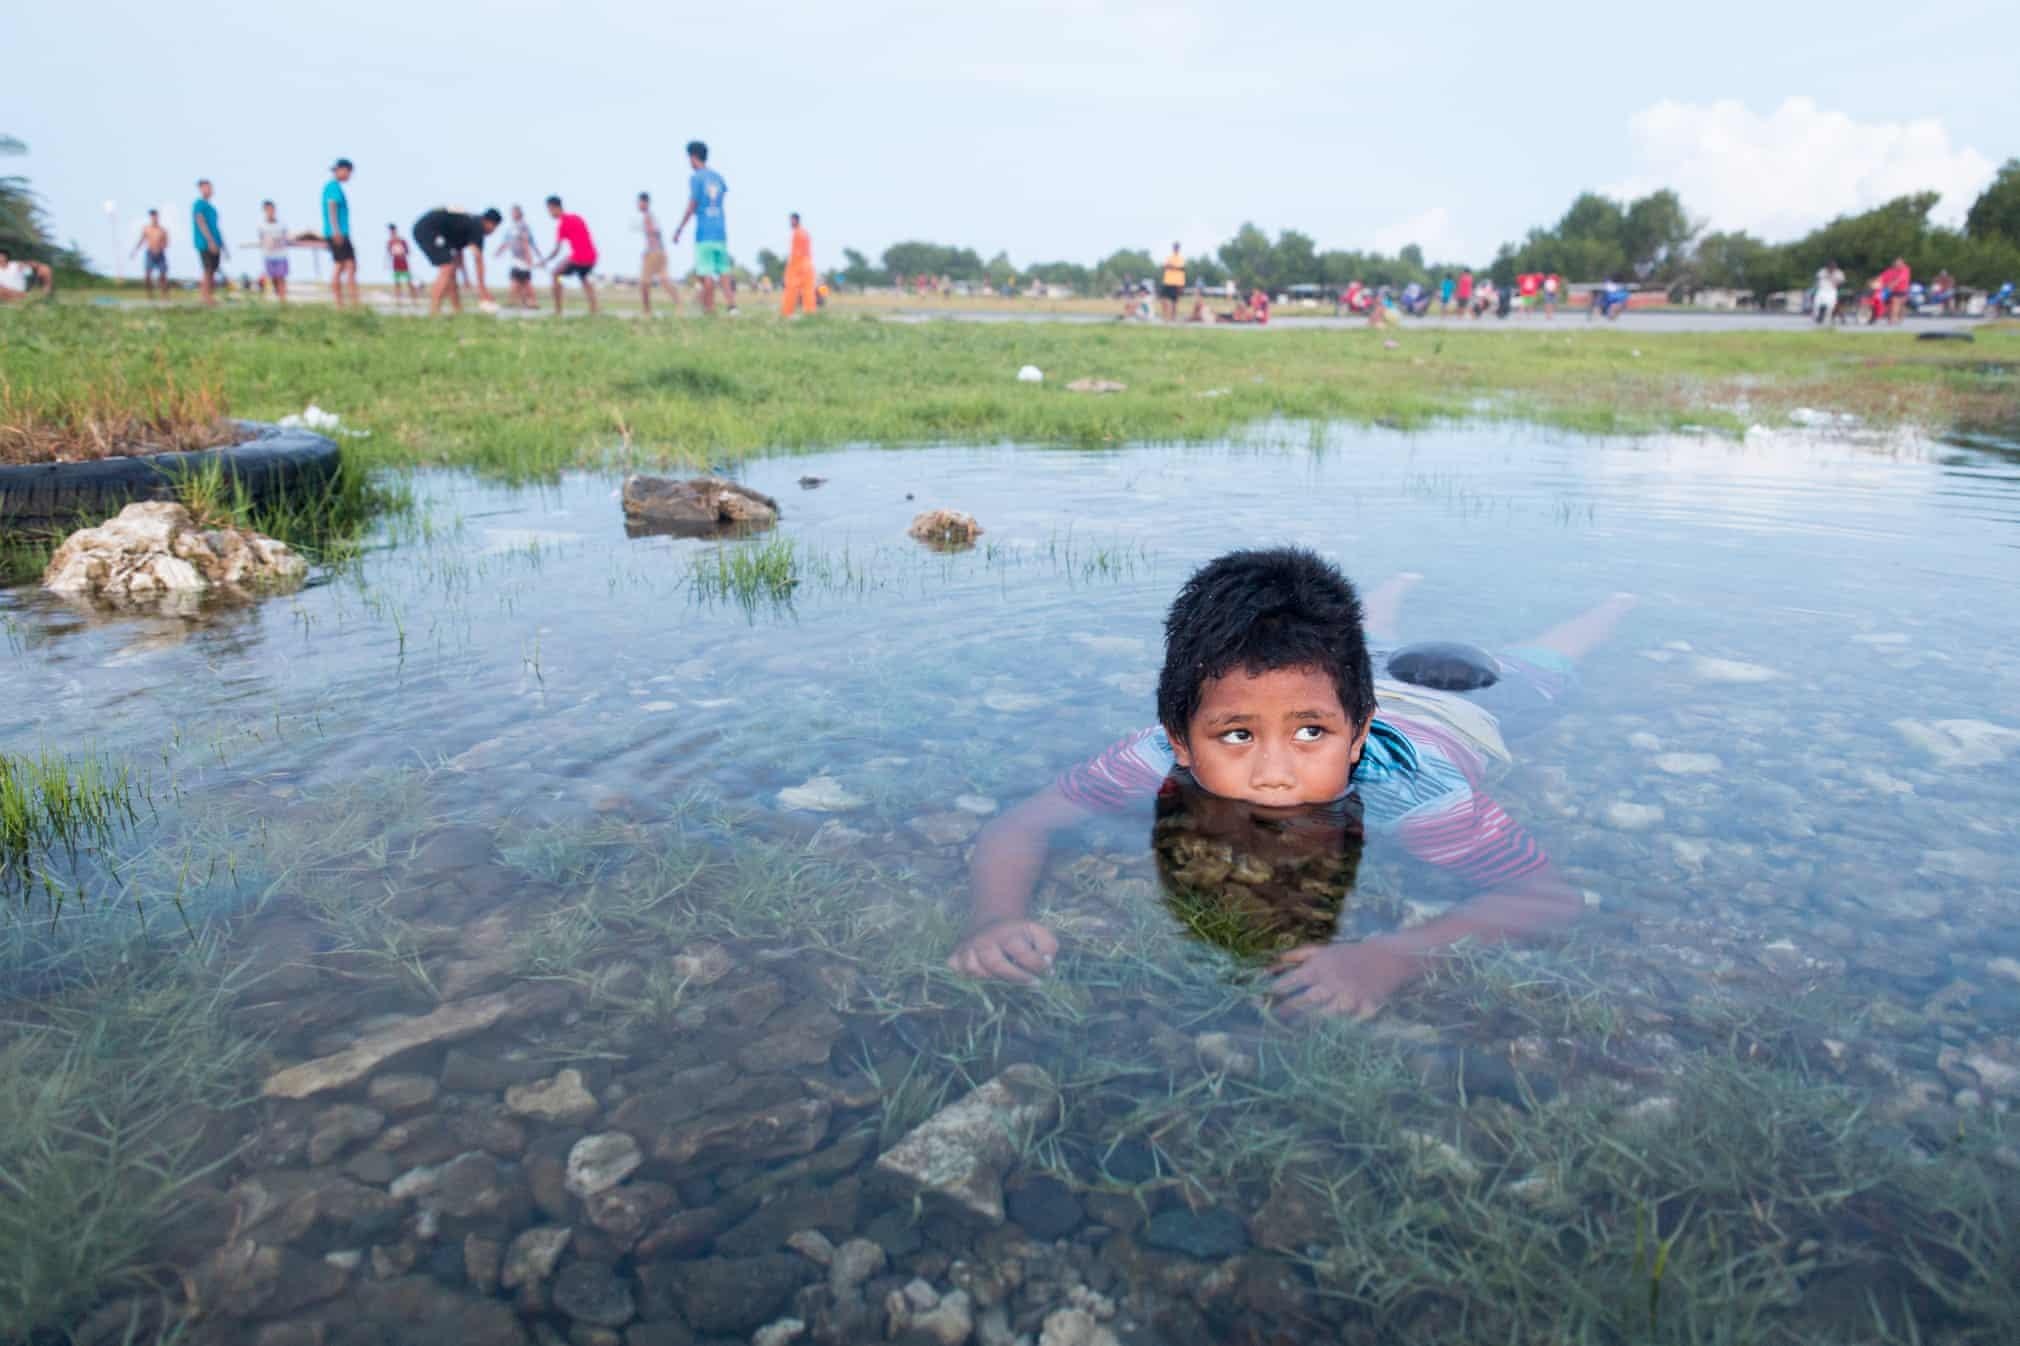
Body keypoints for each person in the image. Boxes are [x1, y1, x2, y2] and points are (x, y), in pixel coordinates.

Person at [947, 551, 1634, 1017]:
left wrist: (1392, 957)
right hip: (1348, 679)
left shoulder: (1415, 790)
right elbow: (1022, 825)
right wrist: (995, 918)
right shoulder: (1152, 753)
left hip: (1478, 700)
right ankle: (1395, 587)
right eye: (1237, 736)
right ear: (1181, 735)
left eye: (1312, 737)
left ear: (1359, 737)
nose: (1275, 772)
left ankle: (1616, 606)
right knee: (1363, 640)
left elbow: (1547, 896)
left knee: (1546, 662)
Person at [672, 140, 736, 315]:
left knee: (705, 272)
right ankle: (732, 307)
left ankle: (710, 309)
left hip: (705, 232)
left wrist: (679, 229)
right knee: (723, 271)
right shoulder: (718, 177)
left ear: (693, 157)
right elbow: (722, 197)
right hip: (720, 230)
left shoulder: (696, 178)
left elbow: (693, 204)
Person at [413, 206, 501, 315]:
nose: (493, 232)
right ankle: (434, 311)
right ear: (489, 222)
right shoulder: (477, 226)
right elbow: (478, 259)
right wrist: (482, 290)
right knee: (447, 268)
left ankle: (457, 310)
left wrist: (466, 279)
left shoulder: (466, 225)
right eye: (494, 228)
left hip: (431, 229)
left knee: (451, 269)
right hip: (428, 229)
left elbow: (458, 257)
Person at [541, 195, 599, 316]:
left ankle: (558, 310)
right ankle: (594, 309)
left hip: (579, 258)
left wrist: (544, 261)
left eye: (549, 210)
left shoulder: (563, 224)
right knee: (584, 278)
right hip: (592, 257)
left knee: (555, 274)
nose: (550, 213)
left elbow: (557, 250)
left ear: (555, 208)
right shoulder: (577, 218)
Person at [636, 191, 680, 316]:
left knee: (644, 283)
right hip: (660, 252)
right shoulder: (650, 217)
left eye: (639, 203)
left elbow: (654, 235)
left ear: (645, 203)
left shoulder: (648, 217)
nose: (638, 205)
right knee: (664, 280)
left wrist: (649, 251)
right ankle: (679, 303)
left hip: (653, 253)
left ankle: (647, 311)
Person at [323, 159, 357, 309]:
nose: (349, 176)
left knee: (347, 265)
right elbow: (332, 207)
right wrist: (336, 230)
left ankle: (347, 302)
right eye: (349, 172)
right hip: (338, 232)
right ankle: (344, 303)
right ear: (342, 170)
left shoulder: (334, 187)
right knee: (345, 265)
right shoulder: (333, 187)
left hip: (339, 231)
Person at [494, 205, 540, 310]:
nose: (513, 215)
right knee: (516, 280)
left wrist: (530, 257)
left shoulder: (524, 227)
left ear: (520, 214)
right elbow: (506, 242)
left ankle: (531, 301)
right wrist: (499, 252)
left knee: (525, 281)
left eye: (514, 213)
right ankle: (518, 301)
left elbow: (527, 242)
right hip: (515, 259)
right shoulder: (511, 228)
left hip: (523, 259)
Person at [191, 179, 227, 306]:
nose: (209, 190)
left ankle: (210, 296)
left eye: (210, 187)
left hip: (216, 242)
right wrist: (210, 241)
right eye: (206, 187)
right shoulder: (199, 204)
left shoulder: (212, 208)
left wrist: (223, 246)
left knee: (213, 270)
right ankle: (205, 297)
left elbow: (216, 227)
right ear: (201, 189)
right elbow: (200, 221)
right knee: (208, 269)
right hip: (205, 242)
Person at [780, 211, 818, 318]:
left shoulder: (797, 233)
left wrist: (790, 269)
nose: (790, 223)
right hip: (808, 265)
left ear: (795, 220)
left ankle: (787, 313)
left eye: (791, 221)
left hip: (798, 265)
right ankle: (810, 313)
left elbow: (796, 253)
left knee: (791, 290)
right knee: (808, 291)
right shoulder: (804, 233)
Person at [256, 199, 291, 303]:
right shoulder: (261, 225)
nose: (270, 211)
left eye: (272, 209)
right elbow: (261, 239)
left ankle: (283, 300)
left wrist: (278, 241)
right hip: (268, 255)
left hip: (281, 255)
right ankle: (278, 296)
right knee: (273, 278)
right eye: (267, 209)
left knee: (281, 278)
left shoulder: (282, 223)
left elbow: (286, 237)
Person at [131, 210, 171, 299]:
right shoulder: (146, 229)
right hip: (150, 253)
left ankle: (165, 295)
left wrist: (161, 247)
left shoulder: (163, 230)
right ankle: (150, 295)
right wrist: (134, 251)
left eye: (156, 216)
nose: (154, 218)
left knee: (163, 275)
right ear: (151, 218)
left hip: (160, 253)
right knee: (147, 275)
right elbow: (141, 240)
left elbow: (167, 242)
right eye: (153, 217)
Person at [386, 225, 418, 304]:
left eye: (392, 231)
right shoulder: (389, 242)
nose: (391, 232)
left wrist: (401, 254)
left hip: (404, 263)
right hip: (395, 264)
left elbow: (408, 251)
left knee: (409, 282)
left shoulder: (402, 241)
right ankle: (398, 300)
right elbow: (389, 253)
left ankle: (414, 299)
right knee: (397, 282)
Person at [1878, 256, 1911, 326]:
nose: (1896, 264)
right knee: (1894, 304)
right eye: (1895, 262)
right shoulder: (1890, 270)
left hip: (1902, 290)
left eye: (1898, 262)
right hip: (1892, 290)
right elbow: (1882, 276)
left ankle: (1897, 318)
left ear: (1902, 262)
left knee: (1900, 305)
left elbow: (1901, 278)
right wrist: (1876, 281)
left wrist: (1893, 283)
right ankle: (1892, 319)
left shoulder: (1905, 269)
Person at [1159, 241, 1186, 322]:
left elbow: (1180, 269)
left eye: (1177, 247)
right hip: (1167, 281)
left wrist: (1182, 285)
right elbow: (1165, 266)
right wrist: (1170, 266)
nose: (1176, 248)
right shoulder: (1169, 257)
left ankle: (1173, 318)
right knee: (1163, 299)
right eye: (1175, 247)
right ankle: (1165, 317)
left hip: (1176, 283)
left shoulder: (1181, 258)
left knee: (1174, 301)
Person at [1812, 261, 1845, 326]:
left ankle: (1828, 320)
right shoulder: (1822, 271)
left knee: (1831, 306)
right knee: (1817, 304)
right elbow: (1816, 279)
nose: (1831, 268)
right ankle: (1818, 318)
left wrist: (1837, 284)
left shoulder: (1839, 273)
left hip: (1832, 291)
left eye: (1833, 267)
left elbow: (1842, 282)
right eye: (1830, 266)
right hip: (1822, 290)